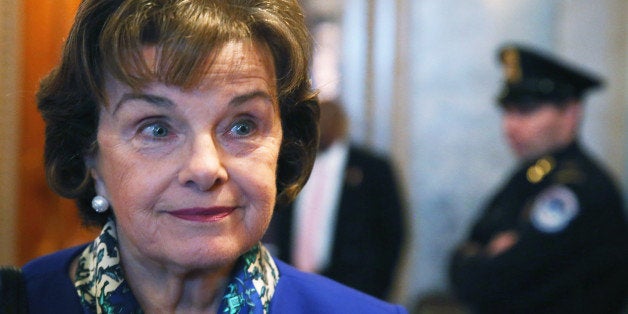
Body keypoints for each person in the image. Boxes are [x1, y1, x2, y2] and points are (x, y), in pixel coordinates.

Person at [21, 1, 409, 313]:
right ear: (89, 153)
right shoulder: (21, 302)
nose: (205, 169)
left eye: (242, 126)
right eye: (157, 128)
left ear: (284, 143)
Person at [449, 43, 628, 313]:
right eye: (507, 112)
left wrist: (483, 257)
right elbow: (461, 262)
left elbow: (492, 281)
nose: (510, 126)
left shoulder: (578, 188)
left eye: (526, 112)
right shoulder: (531, 175)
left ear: (570, 114)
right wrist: (477, 257)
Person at [264, 99, 406, 300]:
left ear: (342, 124)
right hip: (294, 289)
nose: (323, 126)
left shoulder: (372, 169)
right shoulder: (292, 166)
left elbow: (393, 233)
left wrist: (377, 292)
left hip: (353, 291)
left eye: (330, 119)